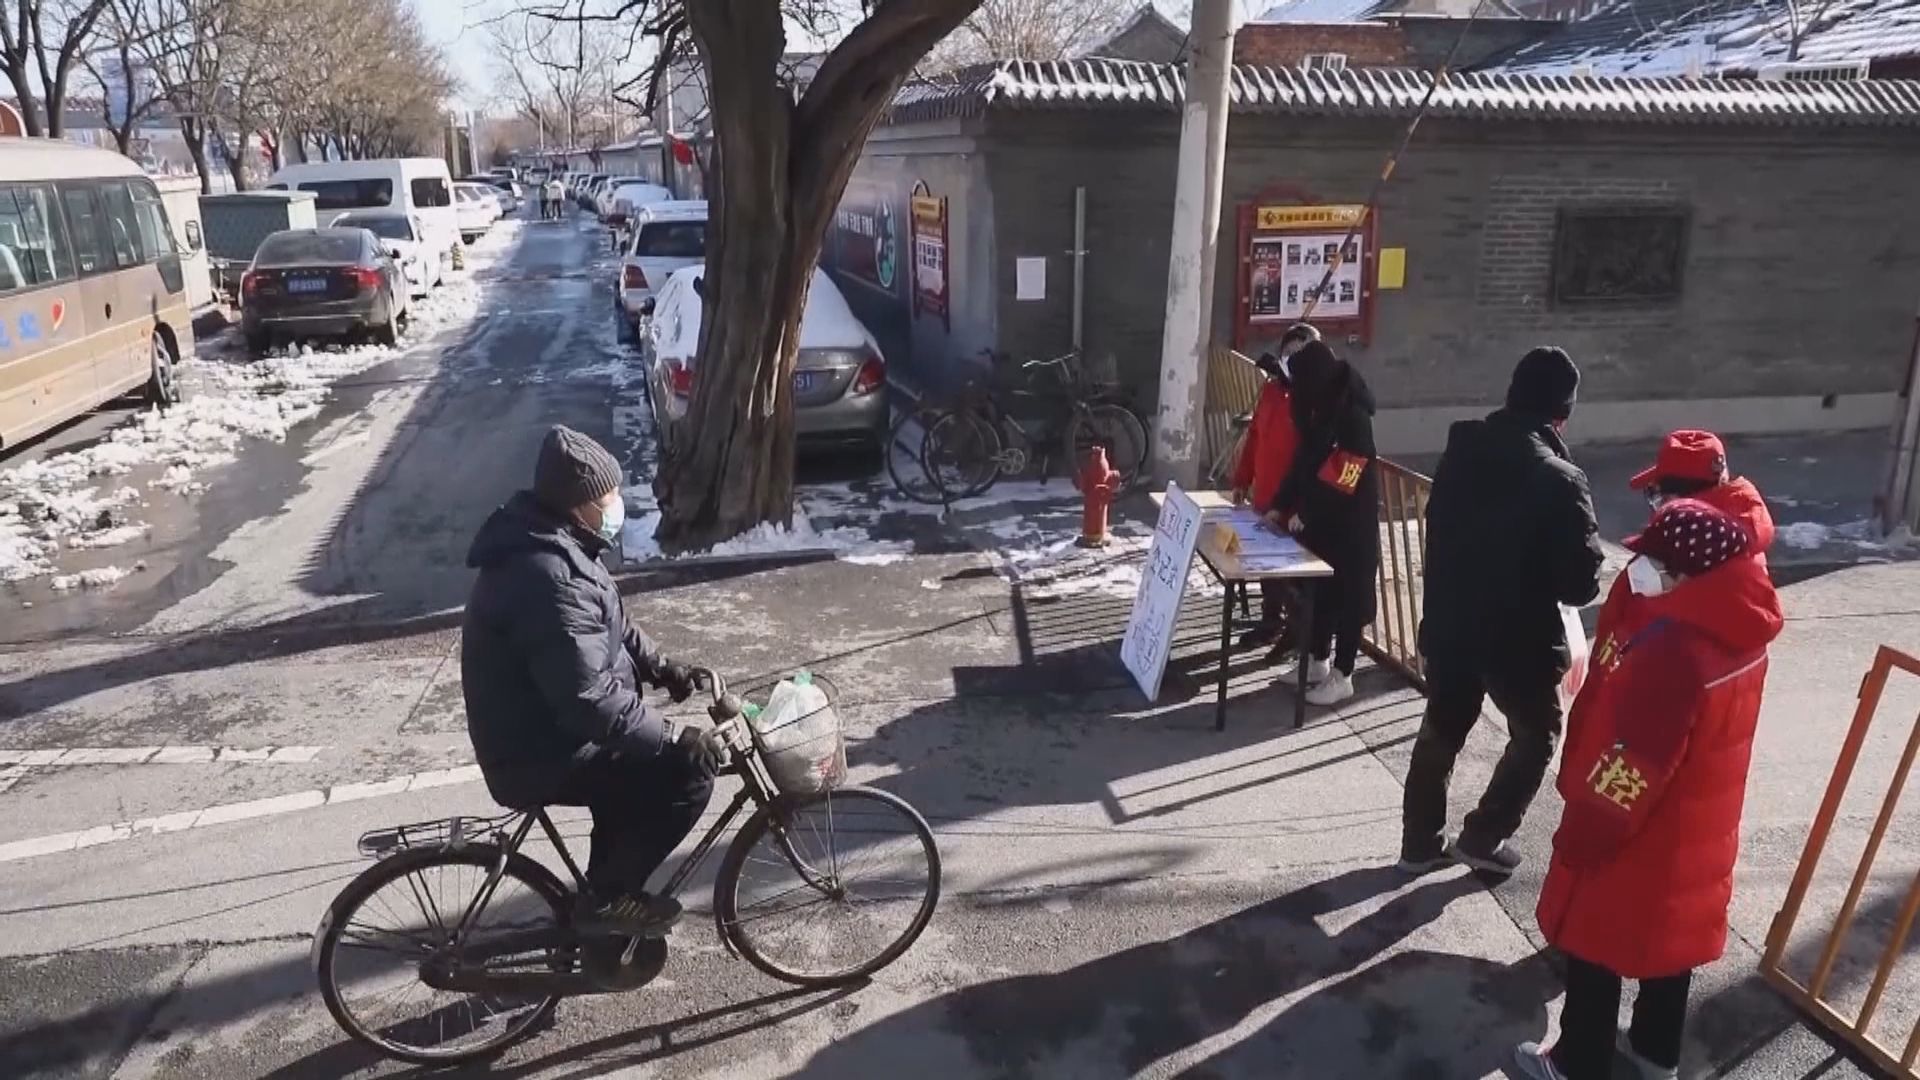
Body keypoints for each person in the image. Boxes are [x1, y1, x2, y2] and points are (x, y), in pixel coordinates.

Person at [1515, 498, 1783, 1080]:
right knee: (1672, 946)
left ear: (1689, 573)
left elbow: (1631, 768)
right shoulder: (1741, 631)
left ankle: (1576, 1063)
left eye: (1655, 560)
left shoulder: (1674, 652)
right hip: (1699, 826)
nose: (1640, 569)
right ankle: (1656, 1058)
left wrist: (1585, 832)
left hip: (1642, 838)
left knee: (1594, 943)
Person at [461, 425, 726, 936]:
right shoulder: (548, 576)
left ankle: (607, 893)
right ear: (578, 504)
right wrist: (671, 735)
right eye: (608, 497)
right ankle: (608, 900)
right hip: (538, 753)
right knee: (688, 771)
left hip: (548, 732)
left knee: (633, 781)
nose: (617, 505)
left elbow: (610, 622)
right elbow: (587, 699)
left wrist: (659, 665)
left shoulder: (559, 543)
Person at [1401, 346, 1604, 876]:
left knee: (1442, 730)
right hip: (1518, 641)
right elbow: (1580, 584)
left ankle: (1418, 843)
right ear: (1561, 414)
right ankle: (1485, 834)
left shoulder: (1461, 451)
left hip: (1450, 624)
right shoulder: (1560, 478)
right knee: (1537, 735)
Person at [1270, 339, 1381, 707]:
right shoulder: (1320, 408)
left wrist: (1309, 511)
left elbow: (1345, 473)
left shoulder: (1352, 415)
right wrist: (1281, 505)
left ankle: (1343, 675)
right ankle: (1317, 662)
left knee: (1350, 598)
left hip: (1352, 525)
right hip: (1324, 525)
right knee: (1321, 594)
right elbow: (1303, 463)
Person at [1230, 322, 1317, 651]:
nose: (1291, 362)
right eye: (1287, 354)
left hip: (1293, 504)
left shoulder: (1312, 403)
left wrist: (1304, 506)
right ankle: (1270, 623)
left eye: (1300, 356)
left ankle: (1296, 635)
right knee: (1268, 570)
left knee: (1291, 573)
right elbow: (1255, 438)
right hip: (1264, 497)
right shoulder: (1270, 392)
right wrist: (1242, 478)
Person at [1630, 429, 1774, 567]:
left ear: (1682, 501)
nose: (1658, 507)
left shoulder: (1688, 552)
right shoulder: (1741, 528)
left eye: (1659, 496)